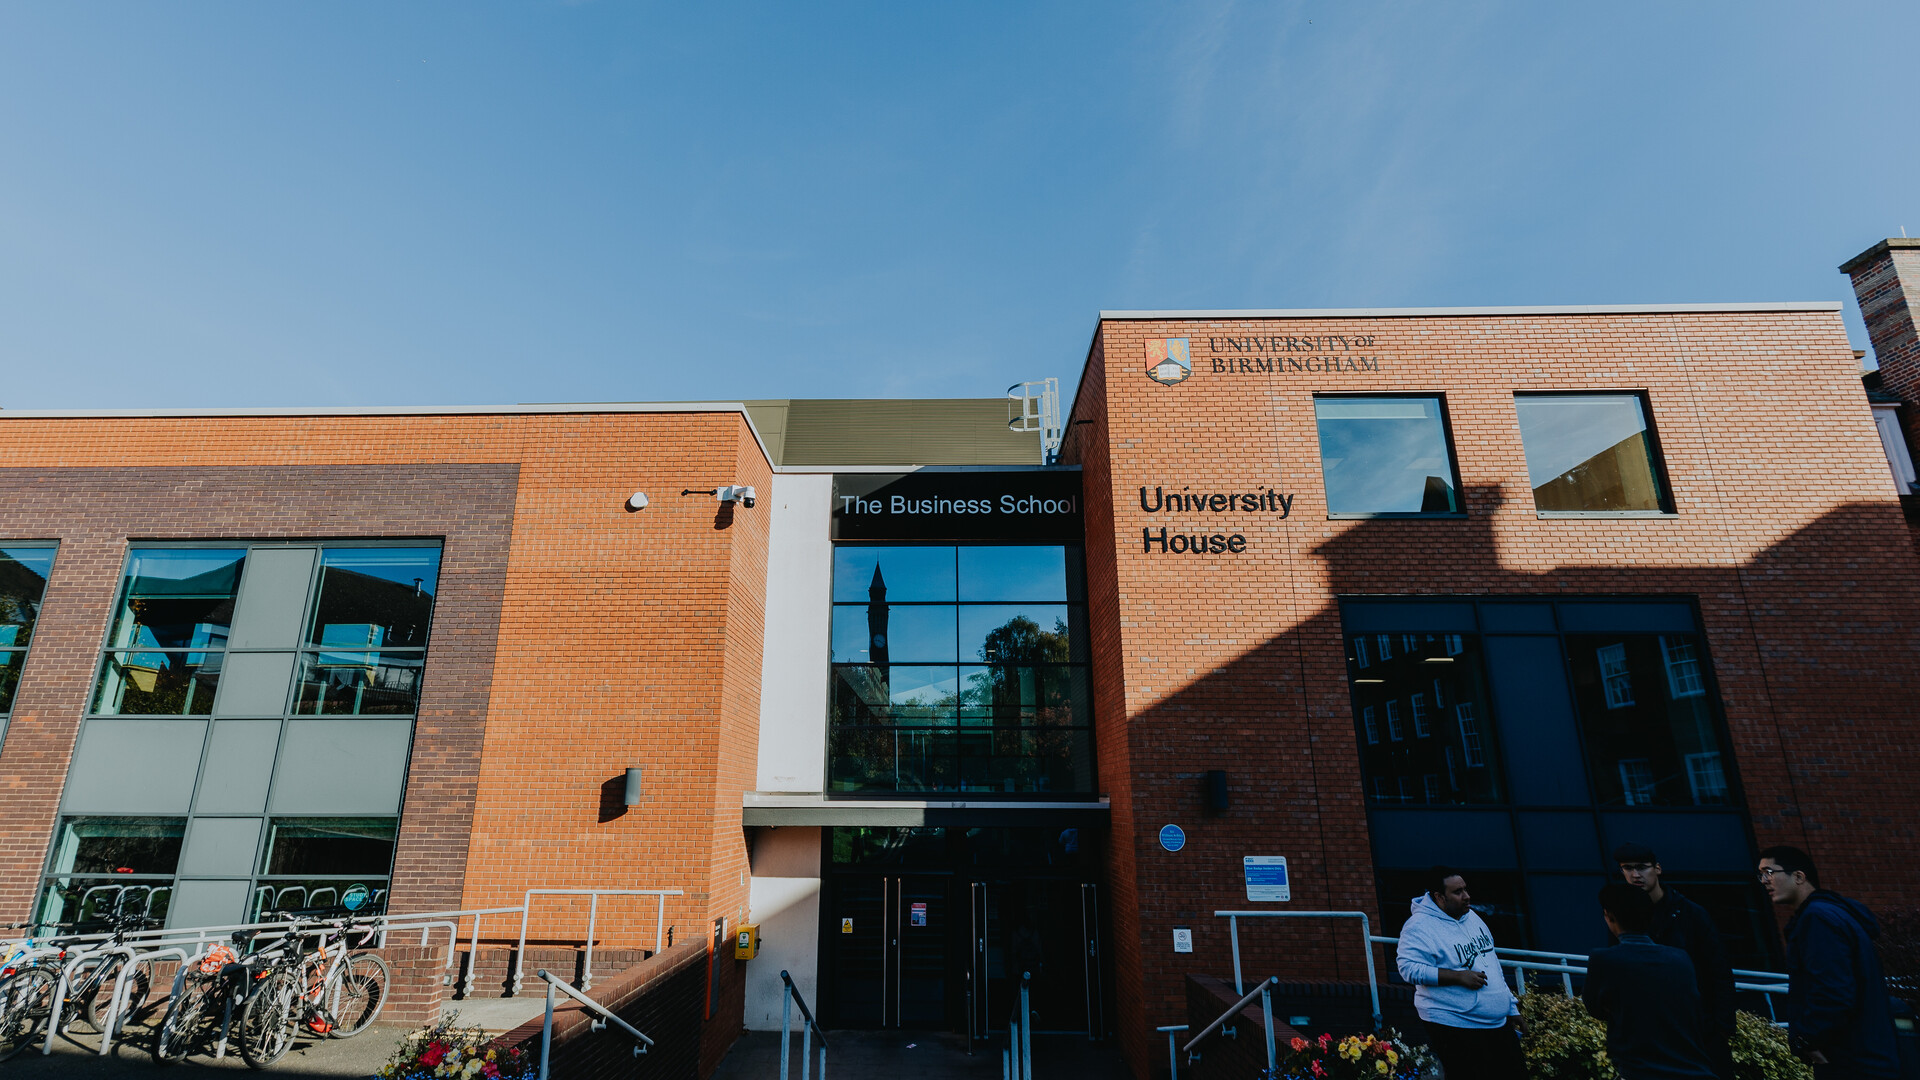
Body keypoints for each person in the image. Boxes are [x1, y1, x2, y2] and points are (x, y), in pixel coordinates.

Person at [1758, 844, 1901, 1079]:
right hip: (1867, 1057)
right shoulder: (1833, 915)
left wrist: (1807, 1040)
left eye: (1769, 872)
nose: (1764, 881)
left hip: (1850, 1061)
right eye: (1760, 875)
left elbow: (1833, 991)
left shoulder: (1817, 919)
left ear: (1799, 877)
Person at [1613, 842, 1737, 1077]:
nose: (1635, 875)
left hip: (1699, 1029)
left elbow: (1719, 969)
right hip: (1651, 1034)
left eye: (1641, 867)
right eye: (1627, 868)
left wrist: (1722, 1028)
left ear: (1657, 869)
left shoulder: (1691, 913)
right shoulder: (1623, 917)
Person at [1395, 866, 1525, 1080]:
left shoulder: (1471, 917)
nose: (1466, 896)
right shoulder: (1419, 926)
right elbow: (1408, 968)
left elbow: (1491, 963)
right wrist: (1457, 976)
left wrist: (1510, 1007)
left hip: (1496, 1022)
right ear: (1439, 897)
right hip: (1454, 1022)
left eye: (1465, 889)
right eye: (1457, 892)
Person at [1584, 882, 1720, 1079]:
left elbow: (1594, 1008)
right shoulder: (1681, 958)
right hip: (1695, 1069)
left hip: (1640, 1070)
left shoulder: (1603, 959)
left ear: (1608, 916)